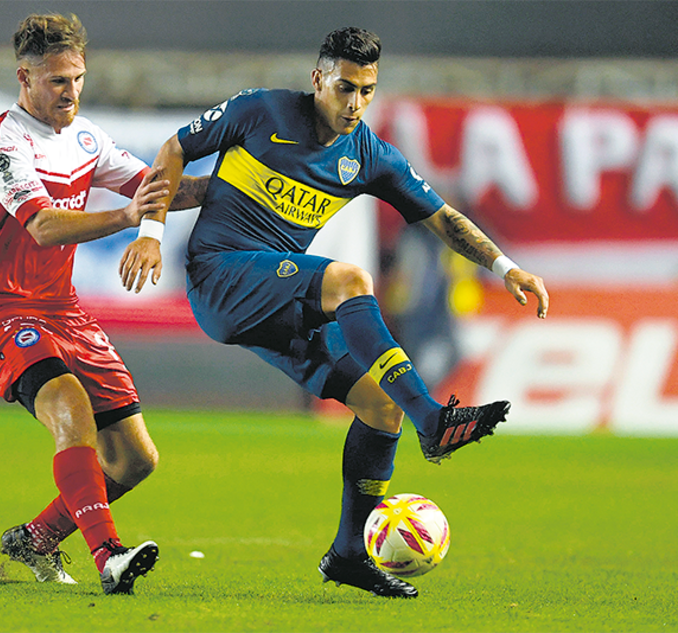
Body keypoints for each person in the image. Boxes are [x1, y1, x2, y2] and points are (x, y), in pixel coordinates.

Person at [119, 27, 548, 598]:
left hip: (274, 303)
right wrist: (151, 231)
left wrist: (505, 266)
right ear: (318, 78)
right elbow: (175, 149)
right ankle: (433, 422)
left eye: (367, 91)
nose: (354, 103)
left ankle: (348, 552)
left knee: (379, 409)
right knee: (349, 279)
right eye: (345, 87)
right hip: (221, 277)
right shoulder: (261, 110)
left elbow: (441, 217)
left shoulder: (369, 154)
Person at [0, 13, 207, 595]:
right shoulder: (3, 146)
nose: (71, 91)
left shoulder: (86, 138)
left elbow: (160, 188)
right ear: (25, 77)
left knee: (135, 460)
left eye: (77, 78)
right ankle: (109, 555)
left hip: (65, 312)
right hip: (6, 312)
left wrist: (257, 182)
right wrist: (128, 219)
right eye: (57, 81)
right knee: (70, 408)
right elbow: (45, 226)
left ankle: (36, 539)